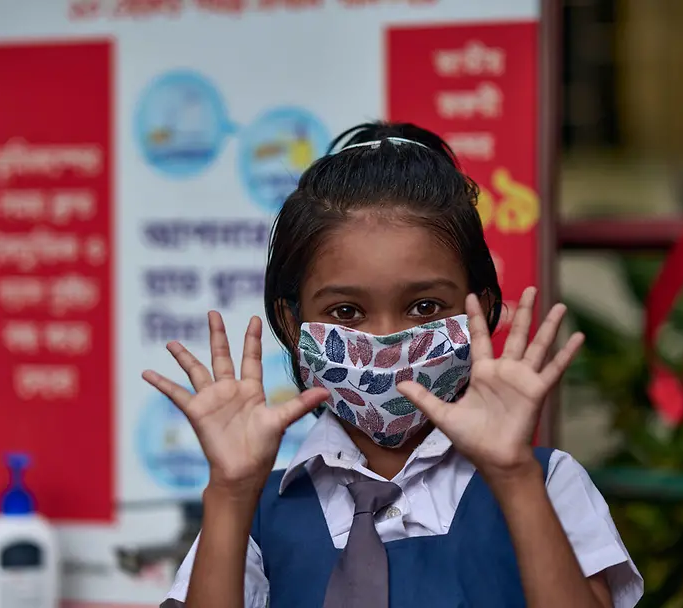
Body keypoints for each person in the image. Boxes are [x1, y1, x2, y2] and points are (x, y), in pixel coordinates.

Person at [145, 122, 643, 608]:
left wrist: (513, 478)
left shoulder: (546, 481)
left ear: (479, 308)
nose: (384, 339)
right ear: (293, 323)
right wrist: (230, 492)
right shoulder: (255, 511)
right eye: (347, 312)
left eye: (424, 306)